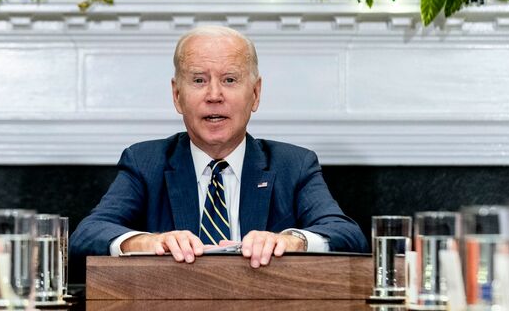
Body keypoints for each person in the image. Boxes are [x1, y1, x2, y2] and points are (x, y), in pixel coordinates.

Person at [70, 26, 367, 268]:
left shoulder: (293, 165)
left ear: (255, 94)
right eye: (199, 80)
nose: (214, 95)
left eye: (230, 79)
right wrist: (146, 242)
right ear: (177, 95)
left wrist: (292, 241)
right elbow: (86, 235)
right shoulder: (145, 162)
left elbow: (348, 235)